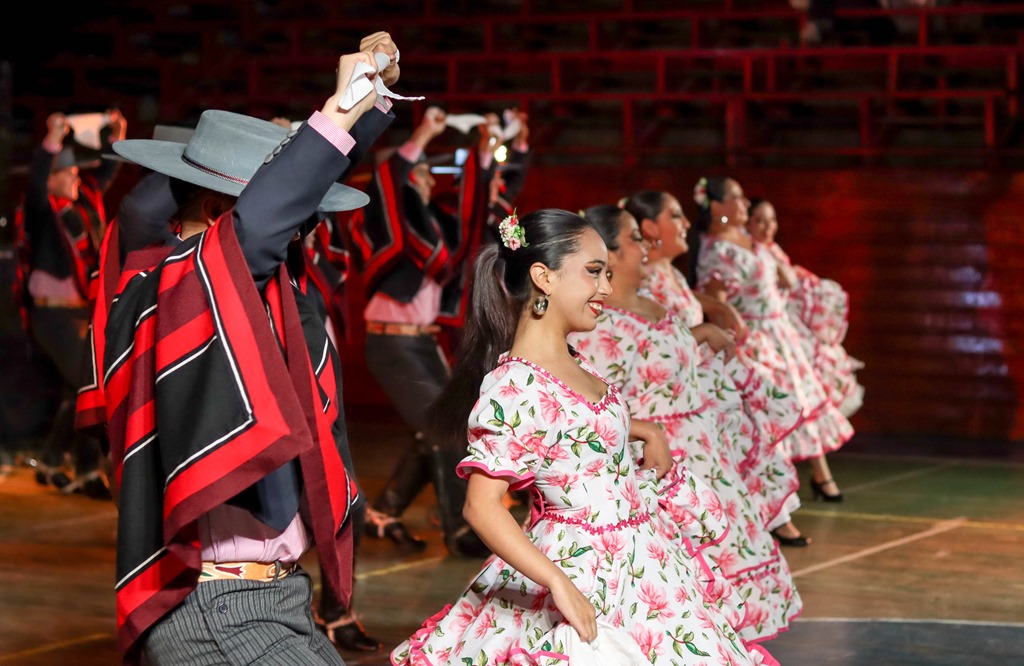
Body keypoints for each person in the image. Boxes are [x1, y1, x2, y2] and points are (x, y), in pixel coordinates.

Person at [101, 51, 387, 664]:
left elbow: (274, 219)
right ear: (219, 216)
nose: (300, 235)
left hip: (271, 602)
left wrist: (370, 101)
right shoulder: (173, 286)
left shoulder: (227, 288)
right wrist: (338, 110)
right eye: (293, 224)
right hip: (218, 611)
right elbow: (255, 231)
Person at [391, 208, 775, 665]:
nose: (607, 289)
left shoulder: (574, 359)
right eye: (594, 272)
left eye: (608, 273)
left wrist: (642, 428)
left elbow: (573, 421)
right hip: (581, 569)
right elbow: (480, 505)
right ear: (543, 277)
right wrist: (558, 583)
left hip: (640, 561)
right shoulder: (515, 386)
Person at [569, 203, 802, 645]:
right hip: (663, 473)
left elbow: (664, 356)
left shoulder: (650, 302)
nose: (645, 246)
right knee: (684, 597)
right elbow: (594, 404)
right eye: (634, 238)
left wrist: (703, 338)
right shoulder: (597, 325)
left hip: (706, 467)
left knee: (731, 588)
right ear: (609, 254)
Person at [348, 104, 496, 557]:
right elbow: (389, 179)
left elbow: (475, 218)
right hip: (391, 344)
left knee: (438, 428)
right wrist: (425, 135)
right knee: (449, 429)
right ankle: (460, 529)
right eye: (421, 174)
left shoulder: (439, 226)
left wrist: (485, 155)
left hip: (423, 341)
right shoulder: (385, 218)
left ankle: (387, 511)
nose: (430, 180)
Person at [625, 189, 811, 546]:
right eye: (675, 216)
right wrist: (705, 329)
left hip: (699, 401)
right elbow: (649, 345)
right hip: (674, 414)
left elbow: (683, 311)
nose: (686, 223)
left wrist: (716, 311)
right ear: (650, 227)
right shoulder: (644, 278)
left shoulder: (669, 273)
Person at [692, 176, 854, 509]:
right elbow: (717, 300)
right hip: (757, 338)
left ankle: (817, 475)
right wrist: (735, 335)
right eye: (736, 198)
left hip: (781, 333)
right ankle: (778, 491)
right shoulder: (718, 249)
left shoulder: (751, 241)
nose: (744, 205)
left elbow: (785, 279)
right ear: (718, 206)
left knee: (801, 401)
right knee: (770, 410)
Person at [12, 108, 127, 498]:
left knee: (74, 390)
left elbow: (108, 171)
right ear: (53, 179)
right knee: (87, 387)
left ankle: (49, 458)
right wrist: (51, 140)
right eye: (69, 172)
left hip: (80, 312)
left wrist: (116, 136)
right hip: (52, 316)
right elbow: (35, 182)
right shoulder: (42, 212)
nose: (77, 176)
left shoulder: (83, 206)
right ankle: (85, 468)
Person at [746, 197, 865, 419]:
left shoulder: (772, 249)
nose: (768, 227)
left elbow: (791, 280)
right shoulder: (752, 252)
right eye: (760, 221)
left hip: (786, 323)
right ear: (747, 223)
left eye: (771, 220)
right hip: (766, 326)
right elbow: (787, 281)